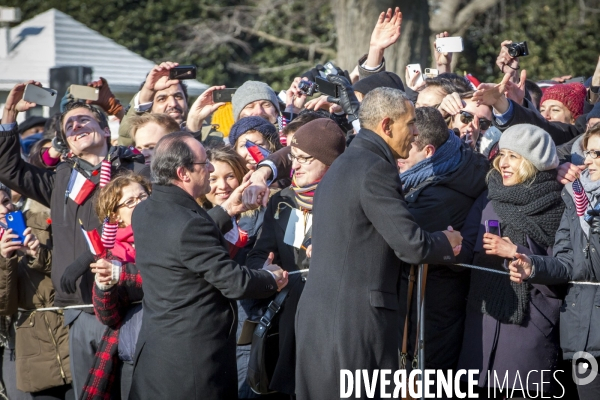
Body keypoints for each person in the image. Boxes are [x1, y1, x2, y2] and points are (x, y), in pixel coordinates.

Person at [294, 88, 462, 399]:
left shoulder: (348, 162)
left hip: (323, 324)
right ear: (386, 126)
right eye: (410, 124)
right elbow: (411, 245)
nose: (415, 133)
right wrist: (446, 241)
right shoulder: (374, 168)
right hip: (353, 329)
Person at [0, 81, 147, 399]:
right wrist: (9, 114)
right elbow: (9, 169)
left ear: (106, 131)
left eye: (85, 120)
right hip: (82, 308)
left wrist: (124, 110)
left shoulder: (137, 170)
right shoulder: (59, 179)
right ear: (67, 142)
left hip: (136, 302)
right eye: (69, 125)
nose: (77, 125)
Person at [129, 131, 288, 400]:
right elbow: (234, 282)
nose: (212, 167)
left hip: (158, 355)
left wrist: (226, 210)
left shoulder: (146, 209)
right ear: (184, 173)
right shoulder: (188, 224)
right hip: (191, 365)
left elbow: (180, 240)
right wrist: (270, 278)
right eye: (205, 164)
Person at [457, 124, 565, 396]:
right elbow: (467, 248)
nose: (503, 163)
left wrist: (517, 252)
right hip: (481, 330)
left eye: (513, 157)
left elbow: (566, 271)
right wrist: (450, 244)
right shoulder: (488, 198)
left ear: (533, 162)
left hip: (529, 331)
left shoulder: (558, 205)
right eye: (501, 154)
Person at [246, 118, 346, 397]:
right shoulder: (282, 200)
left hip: (332, 322)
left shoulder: (346, 202)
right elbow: (257, 255)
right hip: (290, 322)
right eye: (294, 158)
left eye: (305, 159)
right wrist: (265, 270)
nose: (296, 166)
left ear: (329, 163)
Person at [509, 122, 600, 400]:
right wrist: (533, 266)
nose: (588, 160)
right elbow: (567, 263)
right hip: (584, 334)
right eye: (588, 152)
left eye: (598, 154)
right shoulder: (575, 198)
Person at [397, 107, 488, 378]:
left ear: (428, 152)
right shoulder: (459, 161)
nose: (397, 155)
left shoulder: (437, 196)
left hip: (430, 311)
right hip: (430, 303)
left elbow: (398, 241)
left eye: (406, 148)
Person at [198, 146, 269, 398]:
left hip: (254, 330)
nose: (222, 186)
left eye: (229, 176)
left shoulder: (262, 215)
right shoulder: (197, 224)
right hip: (212, 335)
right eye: (213, 178)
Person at [77, 172, 149, 400]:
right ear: (115, 216)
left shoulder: (169, 232)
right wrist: (104, 285)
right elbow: (108, 316)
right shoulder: (112, 253)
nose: (141, 203)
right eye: (130, 202)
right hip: (134, 347)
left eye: (144, 196)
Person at [0, 184, 72, 399]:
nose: (4, 210)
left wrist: (37, 253)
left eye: (5, 202)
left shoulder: (39, 222)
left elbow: (69, 274)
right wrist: (6, 259)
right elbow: (5, 305)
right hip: (31, 343)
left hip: (67, 329)